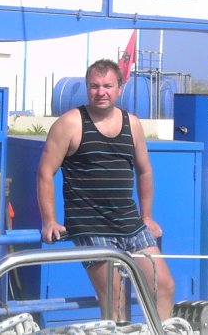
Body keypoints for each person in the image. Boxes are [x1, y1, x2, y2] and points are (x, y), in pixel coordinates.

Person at [37, 58, 174, 321]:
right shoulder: (70, 123)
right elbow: (45, 172)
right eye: (94, 86)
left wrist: (146, 216)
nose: (101, 92)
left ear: (120, 88)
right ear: (87, 88)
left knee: (164, 286)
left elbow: (145, 171)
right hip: (91, 226)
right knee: (115, 298)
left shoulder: (132, 124)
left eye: (108, 86)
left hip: (130, 223)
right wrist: (49, 221)